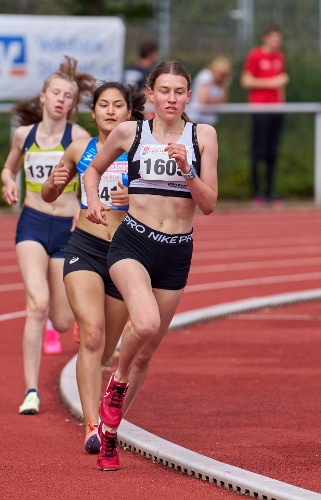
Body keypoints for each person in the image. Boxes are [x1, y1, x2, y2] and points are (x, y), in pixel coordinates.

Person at [84, 60, 218, 471]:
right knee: (144, 324)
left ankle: (110, 435)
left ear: (188, 96)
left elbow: (209, 204)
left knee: (146, 354)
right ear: (150, 94)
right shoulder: (131, 132)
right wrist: (93, 200)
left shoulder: (203, 135)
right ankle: (115, 387)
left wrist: (188, 170)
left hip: (177, 251)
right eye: (164, 91)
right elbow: (92, 170)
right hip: (133, 243)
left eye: (179, 92)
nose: (171, 99)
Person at [41, 81, 145, 454]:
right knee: (94, 335)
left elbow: (161, 201)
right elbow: (50, 194)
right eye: (104, 105)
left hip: (124, 252)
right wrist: (52, 187)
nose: (111, 111)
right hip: (83, 247)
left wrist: (134, 196)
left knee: (105, 351)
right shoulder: (77, 149)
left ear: (129, 113)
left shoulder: (140, 152)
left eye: (119, 105)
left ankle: (95, 359)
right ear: (94, 111)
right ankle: (91, 425)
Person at [1, 56, 95, 416]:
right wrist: (9, 182)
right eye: (54, 93)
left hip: (66, 228)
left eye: (67, 95)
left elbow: (92, 179)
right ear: (42, 98)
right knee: (36, 304)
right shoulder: (24, 135)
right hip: (32, 223)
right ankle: (30, 391)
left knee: (60, 319)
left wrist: (90, 211)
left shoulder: (80, 138)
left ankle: (59, 329)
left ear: (72, 104)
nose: (60, 99)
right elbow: (8, 168)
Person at [240, 25, 289, 206]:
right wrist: (271, 82)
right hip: (260, 110)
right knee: (258, 151)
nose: (276, 41)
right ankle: (257, 193)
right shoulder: (255, 55)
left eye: (278, 38)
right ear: (265, 38)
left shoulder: (280, 57)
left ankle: (270, 192)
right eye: (273, 37)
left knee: (272, 152)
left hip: (277, 111)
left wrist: (282, 105)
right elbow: (246, 81)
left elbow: (281, 86)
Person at [189, 56, 232, 125]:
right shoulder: (205, 76)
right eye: (218, 72)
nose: (219, 76)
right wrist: (216, 101)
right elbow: (204, 100)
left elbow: (223, 102)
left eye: (222, 74)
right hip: (196, 117)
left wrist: (212, 101)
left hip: (210, 120)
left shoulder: (225, 81)